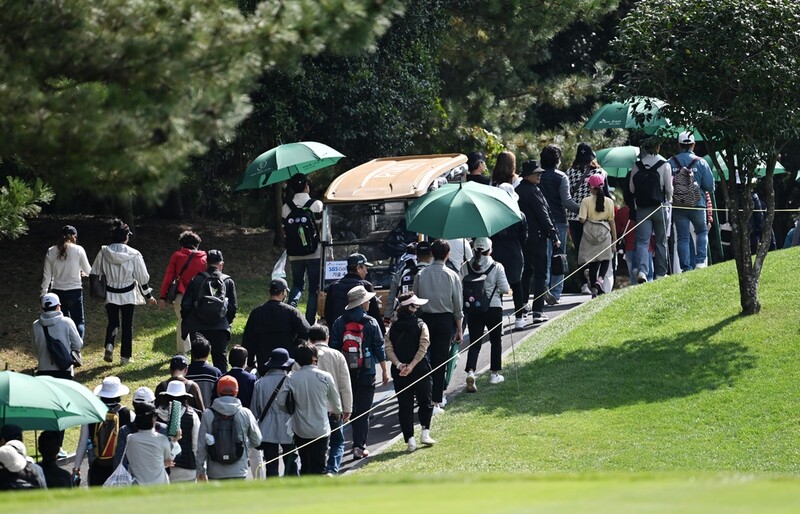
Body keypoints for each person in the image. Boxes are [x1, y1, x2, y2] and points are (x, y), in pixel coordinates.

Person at [329, 286, 388, 460]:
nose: (369, 302)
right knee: (363, 411)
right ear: (362, 302)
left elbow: (334, 347)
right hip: (367, 372)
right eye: (368, 300)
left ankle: (336, 446)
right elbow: (379, 347)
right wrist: (384, 370)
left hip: (344, 373)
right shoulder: (371, 322)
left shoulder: (340, 321)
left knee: (345, 409)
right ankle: (358, 446)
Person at [90, 219, 157, 365]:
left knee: (113, 322)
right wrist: (149, 296)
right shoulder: (134, 254)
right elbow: (143, 277)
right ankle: (125, 358)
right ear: (126, 237)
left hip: (110, 293)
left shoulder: (104, 252)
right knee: (127, 325)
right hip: (127, 294)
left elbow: (95, 272)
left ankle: (109, 344)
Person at [412, 239, 463, 413]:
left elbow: (415, 300)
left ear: (432, 254)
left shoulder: (421, 274)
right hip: (445, 320)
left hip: (425, 319)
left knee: (424, 358)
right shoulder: (452, 275)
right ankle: (436, 400)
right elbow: (458, 305)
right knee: (440, 360)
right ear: (448, 255)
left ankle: (424, 396)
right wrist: (460, 328)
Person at [277, 342, 342, 475]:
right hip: (321, 428)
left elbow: (280, 401)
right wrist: (338, 412)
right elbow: (336, 403)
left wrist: (291, 411)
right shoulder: (325, 376)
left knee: (305, 463)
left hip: (300, 428)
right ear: (313, 358)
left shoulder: (291, 377)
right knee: (319, 465)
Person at [384, 293, 435, 452]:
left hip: (399, 372)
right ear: (410, 307)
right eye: (416, 305)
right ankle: (425, 433)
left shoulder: (392, 327)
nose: (418, 307)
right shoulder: (422, 325)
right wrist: (412, 365)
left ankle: (410, 440)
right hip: (420, 369)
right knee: (425, 401)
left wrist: (399, 365)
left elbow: (388, 348)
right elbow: (423, 347)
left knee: (404, 406)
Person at [461, 238, 511, 390]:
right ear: (490, 250)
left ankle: (470, 371)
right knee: (496, 341)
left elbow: (460, 285)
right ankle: (494, 374)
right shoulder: (497, 266)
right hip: (493, 307)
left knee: (474, 342)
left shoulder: (465, 266)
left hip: (473, 307)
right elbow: (504, 288)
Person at [516, 160, 561, 324]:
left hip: (523, 239)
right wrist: (554, 235)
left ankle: (522, 307)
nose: (540, 175)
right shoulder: (534, 191)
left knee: (526, 273)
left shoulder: (518, 190)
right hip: (538, 238)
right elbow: (544, 215)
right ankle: (537, 310)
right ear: (529, 175)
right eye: (537, 173)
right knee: (540, 274)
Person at [181, 249, 238, 372]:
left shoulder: (196, 280)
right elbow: (233, 307)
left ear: (206, 264)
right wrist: (226, 321)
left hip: (198, 328)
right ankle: (222, 388)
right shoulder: (228, 281)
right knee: (220, 362)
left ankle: (195, 388)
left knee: (197, 362)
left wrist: (190, 321)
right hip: (220, 328)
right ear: (221, 264)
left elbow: (185, 305)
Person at [196, 376, 262, 481]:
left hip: (215, 473)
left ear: (218, 392)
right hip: (239, 471)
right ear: (236, 393)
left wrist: (200, 471)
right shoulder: (245, 413)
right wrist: (242, 445)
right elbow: (257, 440)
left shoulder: (208, 414)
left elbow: (201, 446)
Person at [537, 144, 580, 305]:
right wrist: (582, 209)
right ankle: (555, 293)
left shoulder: (537, 176)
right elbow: (567, 201)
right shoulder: (561, 177)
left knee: (544, 259)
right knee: (558, 257)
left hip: (540, 222)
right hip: (559, 222)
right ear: (557, 160)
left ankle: (543, 291)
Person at [307, 324, 352, 475]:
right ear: (327, 338)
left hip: (311, 408)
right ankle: (332, 470)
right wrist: (347, 408)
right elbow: (345, 383)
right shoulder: (337, 355)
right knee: (337, 441)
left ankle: (315, 470)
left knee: (315, 442)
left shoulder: (304, 355)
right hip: (334, 407)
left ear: (309, 339)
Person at [566, 143, 609, 294]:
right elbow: (607, 195)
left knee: (581, 251)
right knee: (595, 249)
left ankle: (584, 283)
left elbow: (566, 197)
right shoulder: (600, 173)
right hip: (594, 217)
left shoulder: (569, 173)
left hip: (574, 217)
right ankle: (594, 279)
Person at [73, 376, 133, 486]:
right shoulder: (128, 414)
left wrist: (77, 467)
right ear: (119, 394)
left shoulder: (90, 414)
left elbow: (82, 441)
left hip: (97, 467)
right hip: (120, 468)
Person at [242, 278, 309, 374]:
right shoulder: (291, 312)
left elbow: (248, 339)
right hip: (287, 363)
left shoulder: (256, 313)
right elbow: (306, 331)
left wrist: (250, 361)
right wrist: (296, 347)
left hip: (264, 363)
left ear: (270, 292)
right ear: (283, 292)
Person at [669, 132, 715, 270]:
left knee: (682, 238)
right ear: (693, 145)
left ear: (679, 145)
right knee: (701, 232)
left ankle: (686, 268)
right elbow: (710, 187)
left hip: (678, 205)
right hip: (698, 203)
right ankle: (700, 262)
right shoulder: (701, 162)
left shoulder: (670, 162)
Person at [629, 137, 672, 282]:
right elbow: (669, 189)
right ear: (658, 147)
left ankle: (642, 272)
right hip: (659, 207)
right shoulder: (664, 164)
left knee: (642, 241)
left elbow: (631, 188)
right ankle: (661, 273)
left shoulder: (637, 165)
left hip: (642, 208)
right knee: (661, 241)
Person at [282, 174, 324, 324]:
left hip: (294, 254)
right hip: (314, 252)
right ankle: (309, 322)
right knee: (313, 288)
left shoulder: (286, 207)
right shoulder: (316, 204)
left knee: (297, 285)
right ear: (306, 186)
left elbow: (285, 231)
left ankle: (290, 313)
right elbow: (322, 230)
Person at [251, 348, 298, 478]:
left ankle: (273, 492)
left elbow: (254, 411)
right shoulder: (290, 381)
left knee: (271, 464)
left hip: (266, 428)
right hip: (288, 427)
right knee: (291, 462)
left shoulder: (259, 383)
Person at [158, 230, 208, 354]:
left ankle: (182, 353)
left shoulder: (177, 256)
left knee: (182, 321)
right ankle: (201, 351)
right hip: (200, 295)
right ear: (197, 244)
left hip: (182, 293)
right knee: (201, 321)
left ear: (182, 244)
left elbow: (169, 276)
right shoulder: (205, 258)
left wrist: (162, 297)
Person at [40, 224, 91, 339]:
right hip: (75, 290)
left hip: (57, 291)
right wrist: (85, 273)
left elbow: (47, 275)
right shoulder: (78, 250)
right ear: (74, 237)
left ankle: (65, 346)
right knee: (79, 321)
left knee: (62, 322)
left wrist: (43, 293)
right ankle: (76, 348)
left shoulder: (51, 251)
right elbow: (88, 270)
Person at [492, 182, 528, 330]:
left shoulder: (492, 215)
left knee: (497, 289)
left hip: (496, 254)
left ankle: (498, 324)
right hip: (514, 253)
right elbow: (524, 238)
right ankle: (519, 318)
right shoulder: (520, 215)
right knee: (517, 286)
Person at [578, 174, 617, 297]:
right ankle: (600, 280)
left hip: (590, 232)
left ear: (591, 187)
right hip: (604, 231)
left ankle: (594, 290)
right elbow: (612, 221)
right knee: (606, 258)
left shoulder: (586, 201)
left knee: (594, 261)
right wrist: (614, 240)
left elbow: (582, 220)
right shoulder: (610, 202)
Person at [113, 387, 168, 471]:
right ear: (152, 404)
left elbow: (119, 460)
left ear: (133, 404)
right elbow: (171, 456)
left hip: (133, 478)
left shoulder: (125, 430)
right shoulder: (162, 429)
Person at [323, 253, 383, 330]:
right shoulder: (365, 286)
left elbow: (328, 313)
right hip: (361, 336)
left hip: (339, 333)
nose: (366, 271)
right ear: (358, 268)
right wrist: (381, 332)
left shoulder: (333, 286)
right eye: (365, 267)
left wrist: (334, 330)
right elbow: (375, 313)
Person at [155, 381, 201, 483]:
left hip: (162, 468)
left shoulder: (156, 415)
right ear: (185, 397)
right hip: (187, 468)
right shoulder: (192, 415)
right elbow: (196, 444)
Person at [32, 292, 82, 380]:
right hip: (64, 369)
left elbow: (35, 349)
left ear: (42, 308)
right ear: (58, 306)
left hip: (43, 370)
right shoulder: (67, 322)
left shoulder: (36, 325)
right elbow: (78, 344)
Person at [126, 401, 174, 485]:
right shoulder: (161, 439)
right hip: (159, 487)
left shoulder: (130, 439)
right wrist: (175, 441)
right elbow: (169, 458)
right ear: (152, 419)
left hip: (137, 487)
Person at [185, 334, 222, 408]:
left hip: (189, 413)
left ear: (192, 353)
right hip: (210, 413)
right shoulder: (215, 372)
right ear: (208, 352)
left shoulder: (185, 372)